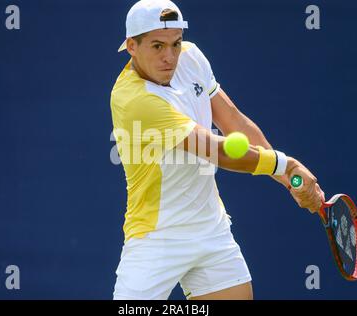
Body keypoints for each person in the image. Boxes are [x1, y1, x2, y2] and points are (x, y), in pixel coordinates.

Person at [110, 0, 325, 300]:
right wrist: (286, 165)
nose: (169, 56)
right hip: (156, 239)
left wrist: (288, 179)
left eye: (175, 43)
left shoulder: (192, 58)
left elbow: (233, 120)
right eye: (157, 46)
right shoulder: (134, 100)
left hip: (211, 230)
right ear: (132, 46)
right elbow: (215, 150)